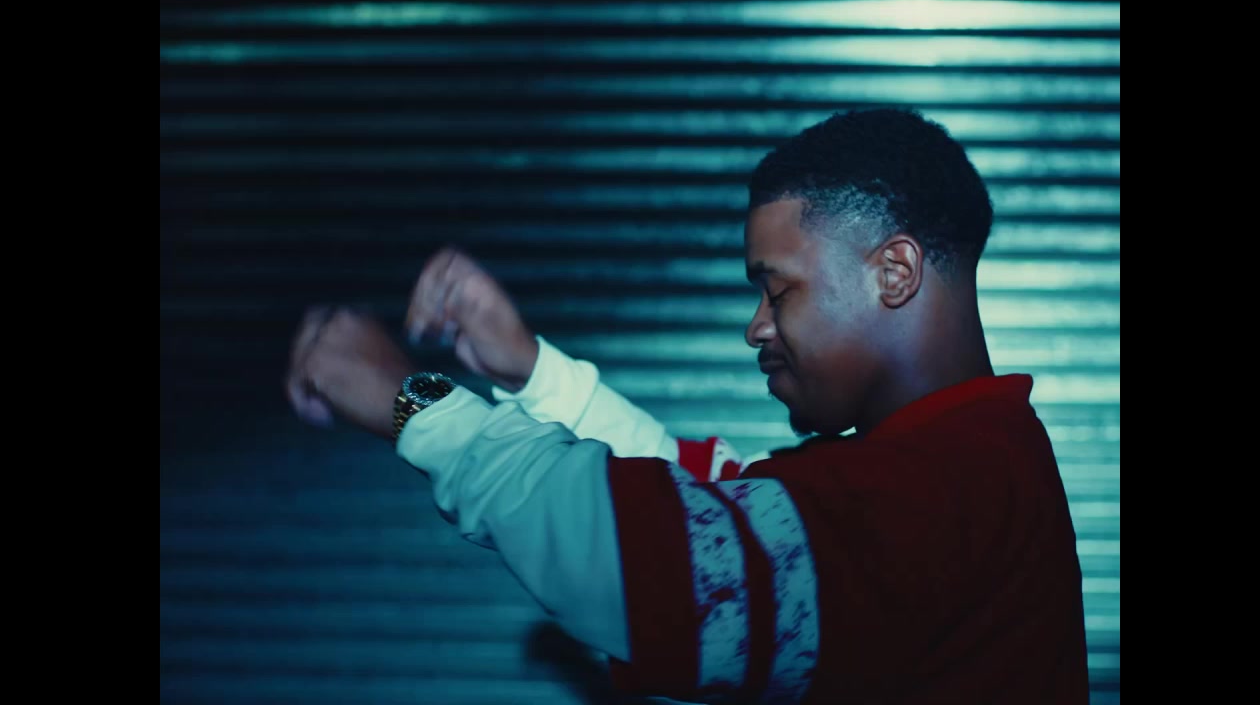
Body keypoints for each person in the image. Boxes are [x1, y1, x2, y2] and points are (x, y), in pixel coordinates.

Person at [284, 107, 1090, 704]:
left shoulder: (945, 488)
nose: (755, 326)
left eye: (777, 288)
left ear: (894, 273)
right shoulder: (963, 459)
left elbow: (647, 558)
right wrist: (533, 371)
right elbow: (714, 509)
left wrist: (407, 398)